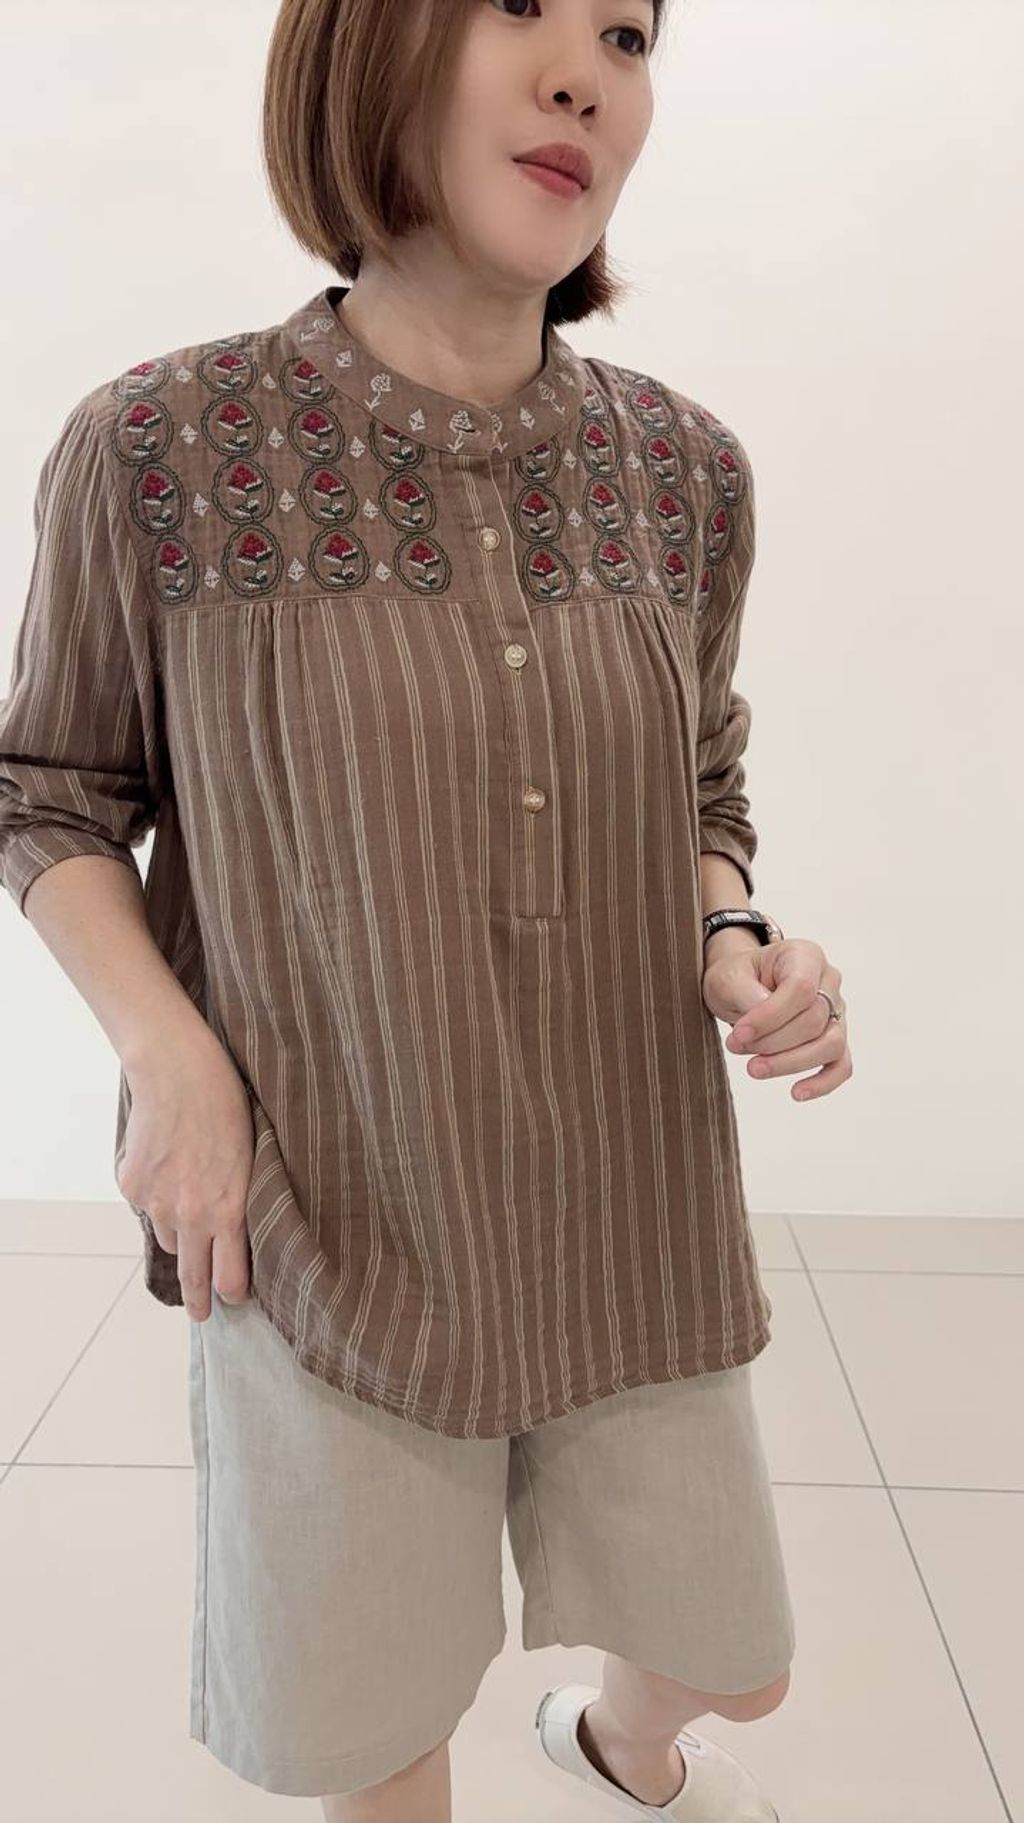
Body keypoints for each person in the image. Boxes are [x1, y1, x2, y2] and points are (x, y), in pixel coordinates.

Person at [0, 0, 853, 1817]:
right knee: (377, 1743)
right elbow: (48, 791)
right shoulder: (160, 449)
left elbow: (702, 781)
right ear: (365, 48)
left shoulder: (685, 471)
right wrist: (174, 1065)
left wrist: (733, 936)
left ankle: (618, 1747)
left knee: (741, 1663)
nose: (584, 75)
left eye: (627, 34)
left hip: (628, 1203)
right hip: (335, 1204)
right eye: (518, 8)